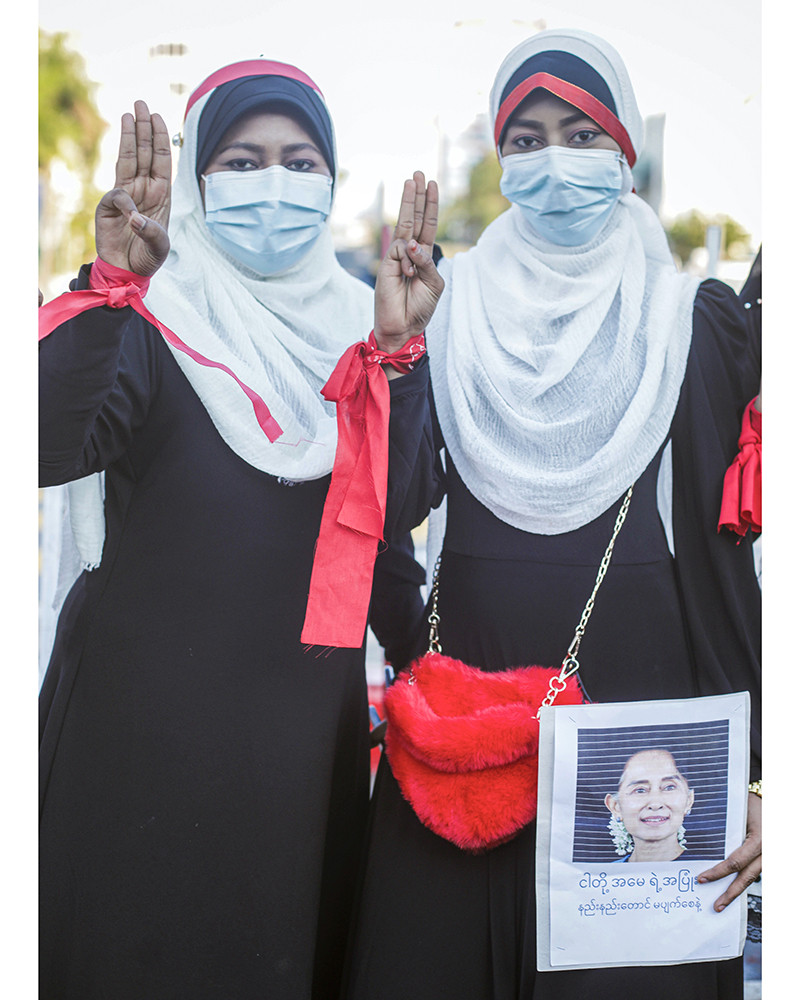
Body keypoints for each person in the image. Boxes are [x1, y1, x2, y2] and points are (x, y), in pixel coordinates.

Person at [343, 28, 761, 1000]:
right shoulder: (452, 309)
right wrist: (398, 350)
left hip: (637, 736)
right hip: (465, 725)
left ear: (623, 154)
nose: (551, 162)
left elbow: (717, 556)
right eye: (524, 139)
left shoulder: (682, 316)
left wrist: (753, 771)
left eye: (578, 132)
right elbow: (394, 507)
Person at [38, 59, 435, 999]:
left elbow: (401, 510)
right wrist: (112, 288)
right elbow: (50, 445)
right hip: (136, 736)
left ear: (332, 183)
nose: (274, 184)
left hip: (294, 747)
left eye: (300, 162)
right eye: (244, 159)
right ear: (200, 180)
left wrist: (398, 359)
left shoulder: (366, 325)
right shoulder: (148, 312)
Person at [605, 749, 696, 863]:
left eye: (669, 787)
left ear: (689, 800)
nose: (655, 804)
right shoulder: (603, 876)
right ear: (615, 806)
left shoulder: (711, 871)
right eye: (640, 790)